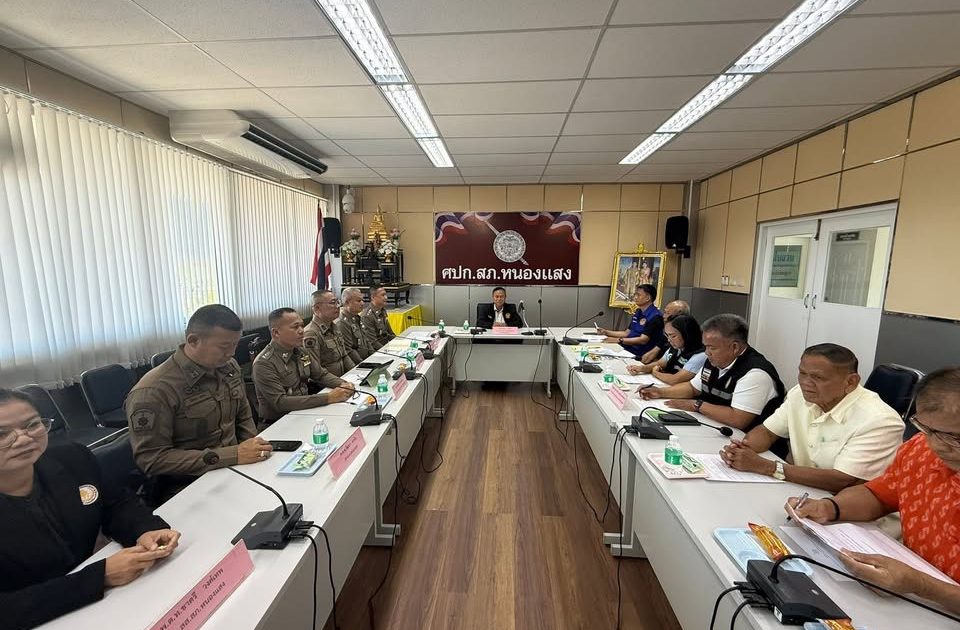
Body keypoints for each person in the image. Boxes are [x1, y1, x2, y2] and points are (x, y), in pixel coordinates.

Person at [0, 389, 181, 629]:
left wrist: (145, 529)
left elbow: (116, 504)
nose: (24, 439)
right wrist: (99, 577)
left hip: (111, 606)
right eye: (2, 434)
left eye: (32, 425)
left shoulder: (73, 459)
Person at [786, 368, 960, 614]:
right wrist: (830, 507)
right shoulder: (920, 449)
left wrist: (921, 585)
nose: (936, 445)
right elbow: (879, 495)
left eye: (954, 438)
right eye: (927, 429)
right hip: (909, 599)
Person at [126, 305, 273, 501]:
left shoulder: (228, 367)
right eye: (223, 347)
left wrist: (253, 447)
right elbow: (151, 459)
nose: (231, 353)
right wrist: (233, 454)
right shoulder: (155, 390)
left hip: (237, 469)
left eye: (235, 345)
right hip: (188, 485)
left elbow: (243, 414)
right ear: (193, 340)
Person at [721, 344, 903, 491]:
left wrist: (766, 467)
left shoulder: (880, 420)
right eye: (802, 373)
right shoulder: (799, 394)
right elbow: (767, 432)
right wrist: (742, 450)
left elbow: (842, 480)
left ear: (851, 382)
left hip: (847, 511)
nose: (805, 383)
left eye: (818, 377)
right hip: (800, 488)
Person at [640, 313, 785, 434]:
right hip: (714, 428)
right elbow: (693, 388)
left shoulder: (755, 373)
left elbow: (738, 419)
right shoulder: (715, 361)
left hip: (747, 443)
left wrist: (697, 405)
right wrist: (660, 392)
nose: (706, 352)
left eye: (712, 348)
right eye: (705, 346)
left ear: (735, 347)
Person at [252, 308, 354, 424]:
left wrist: (344, 384)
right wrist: (329, 397)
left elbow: (321, 374)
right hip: (279, 423)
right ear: (276, 333)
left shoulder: (300, 352)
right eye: (295, 327)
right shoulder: (264, 363)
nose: (301, 331)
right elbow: (280, 402)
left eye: (302, 326)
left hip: (304, 413)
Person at [627, 314, 706, 386]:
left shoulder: (700, 355)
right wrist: (640, 368)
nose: (669, 340)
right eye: (667, 335)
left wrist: (655, 373)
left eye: (673, 336)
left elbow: (674, 380)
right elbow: (660, 363)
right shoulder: (676, 347)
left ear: (687, 334)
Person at [597, 284, 665, 359]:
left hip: (641, 354)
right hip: (628, 349)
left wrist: (618, 340)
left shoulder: (655, 316)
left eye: (638, 295)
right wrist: (606, 332)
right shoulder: (638, 312)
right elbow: (627, 333)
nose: (635, 297)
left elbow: (643, 340)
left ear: (648, 298)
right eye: (635, 294)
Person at [303, 290, 356, 376]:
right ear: (317, 308)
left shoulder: (334, 327)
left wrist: (356, 373)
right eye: (333, 303)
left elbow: (344, 356)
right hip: (327, 382)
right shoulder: (311, 333)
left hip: (344, 378)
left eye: (337, 302)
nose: (338, 306)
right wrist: (340, 382)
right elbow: (315, 371)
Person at [639, 300, 690, 364]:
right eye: (665, 312)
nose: (664, 316)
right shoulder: (666, 333)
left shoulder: (687, 340)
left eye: (667, 313)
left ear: (679, 317)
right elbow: (651, 355)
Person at [336, 287, 371, 364]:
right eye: (358, 301)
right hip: (356, 364)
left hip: (366, 359)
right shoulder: (342, 322)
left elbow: (366, 340)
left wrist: (374, 356)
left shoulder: (356, 317)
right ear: (347, 302)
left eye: (362, 300)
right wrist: (364, 364)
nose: (362, 303)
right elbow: (348, 350)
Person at [361, 284, 396, 350]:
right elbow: (373, 343)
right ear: (373, 297)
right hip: (376, 351)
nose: (386, 297)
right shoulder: (367, 316)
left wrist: (399, 343)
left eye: (386, 295)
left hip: (386, 346)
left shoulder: (382, 310)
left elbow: (390, 334)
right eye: (383, 295)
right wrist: (387, 351)